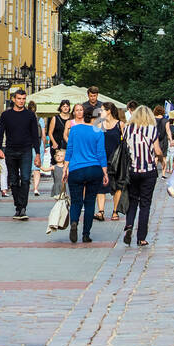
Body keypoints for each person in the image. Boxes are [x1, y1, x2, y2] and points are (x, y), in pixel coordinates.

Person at [63, 104, 108, 244]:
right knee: (89, 202)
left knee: (76, 201)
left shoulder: (74, 130)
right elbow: (101, 153)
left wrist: (65, 168)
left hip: (76, 169)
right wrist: (105, 172)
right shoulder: (98, 132)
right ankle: (86, 234)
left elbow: (69, 149)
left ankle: (74, 222)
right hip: (94, 169)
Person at [0, 88, 41, 220]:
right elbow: (0, 133)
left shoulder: (30, 115)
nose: (21, 101)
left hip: (26, 150)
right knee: (14, 180)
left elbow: (35, 135)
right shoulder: (6, 115)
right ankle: (18, 205)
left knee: (26, 178)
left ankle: (23, 207)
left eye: (23, 99)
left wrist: (37, 153)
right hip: (10, 150)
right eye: (19, 99)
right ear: (14, 99)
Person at [122, 106, 163, 247]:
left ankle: (129, 225)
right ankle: (141, 237)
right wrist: (162, 159)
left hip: (132, 170)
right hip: (149, 170)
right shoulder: (152, 129)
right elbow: (157, 150)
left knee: (132, 200)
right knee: (145, 204)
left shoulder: (127, 129)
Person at [97, 104, 123, 222]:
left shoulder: (120, 124)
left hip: (117, 160)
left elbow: (126, 142)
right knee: (100, 186)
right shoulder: (99, 124)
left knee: (117, 186)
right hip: (102, 159)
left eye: (102, 110)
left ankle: (115, 211)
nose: (100, 112)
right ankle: (101, 211)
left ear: (109, 111)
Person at [28, 101, 44, 197]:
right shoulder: (40, 119)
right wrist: (44, 145)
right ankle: (36, 189)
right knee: (37, 168)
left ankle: (26, 185)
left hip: (27, 145)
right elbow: (43, 134)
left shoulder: (25, 118)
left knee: (26, 166)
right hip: (38, 144)